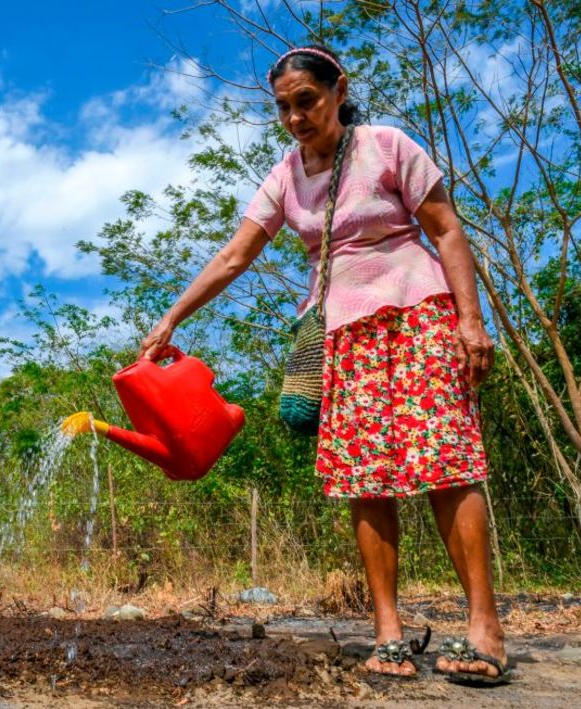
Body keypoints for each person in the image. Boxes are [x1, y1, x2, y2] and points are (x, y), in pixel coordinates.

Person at [138, 45, 508, 684]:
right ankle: (388, 632)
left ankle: (485, 628)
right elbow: (235, 255)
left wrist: (470, 321)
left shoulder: (389, 145)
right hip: (342, 333)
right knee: (365, 477)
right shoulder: (285, 175)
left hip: (418, 314)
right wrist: (173, 317)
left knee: (445, 462)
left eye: (306, 101)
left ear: (339, 90)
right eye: (283, 107)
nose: (295, 117)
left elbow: (446, 230)